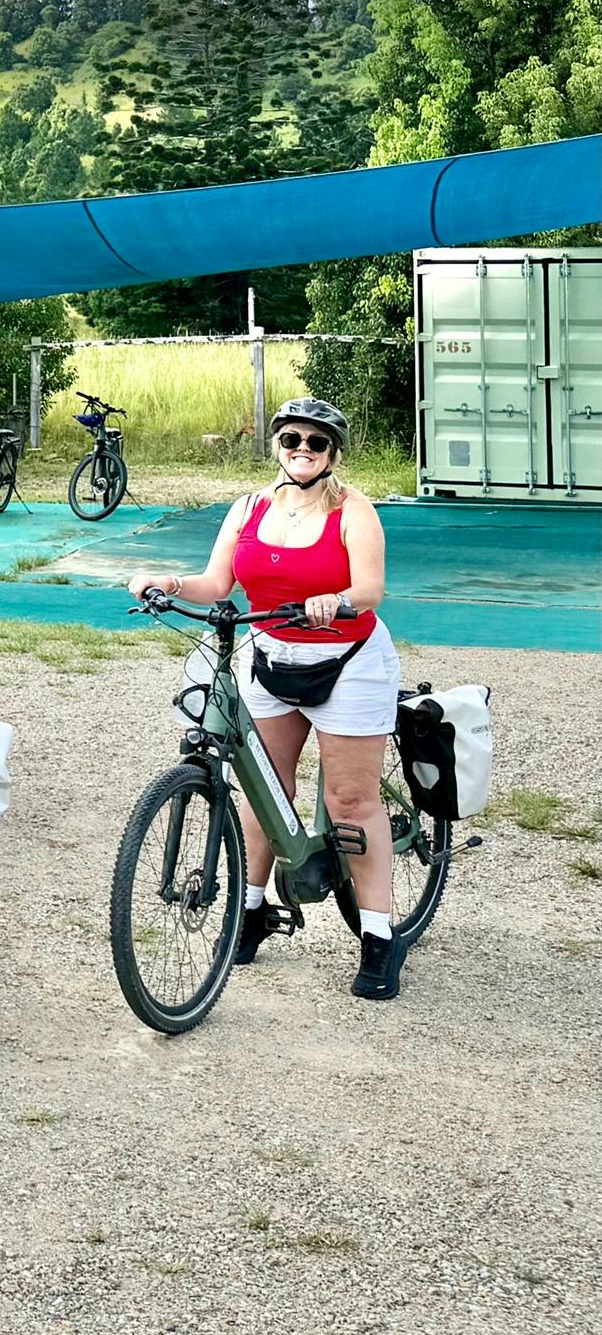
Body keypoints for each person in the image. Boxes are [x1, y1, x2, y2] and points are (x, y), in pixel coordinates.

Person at [126, 397, 408, 999]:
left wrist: (337, 599)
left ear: (333, 453)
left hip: (347, 658)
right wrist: (168, 582)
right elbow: (215, 583)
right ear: (276, 447)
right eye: (291, 441)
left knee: (351, 798)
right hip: (273, 651)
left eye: (315, 442)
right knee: (262, 786)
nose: (302, 451)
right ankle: (250, 911)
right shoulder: (250, 507)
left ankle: (380, 939)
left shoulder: (354, 511)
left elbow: (372, 587)